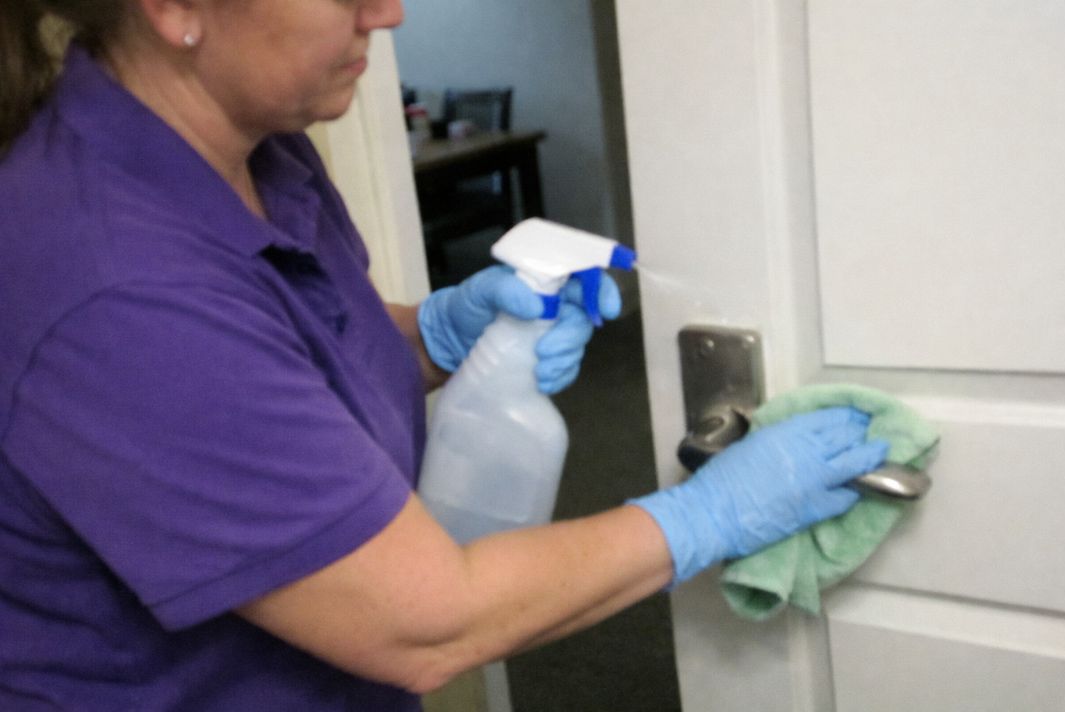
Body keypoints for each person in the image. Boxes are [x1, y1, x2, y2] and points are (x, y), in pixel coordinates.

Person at [0, 1, 889, 710]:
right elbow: (425, 623)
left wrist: (434, 333)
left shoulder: (260, 150)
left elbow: (284, 344)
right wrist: (711, 515)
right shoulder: (116, 290)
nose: (388, 13)